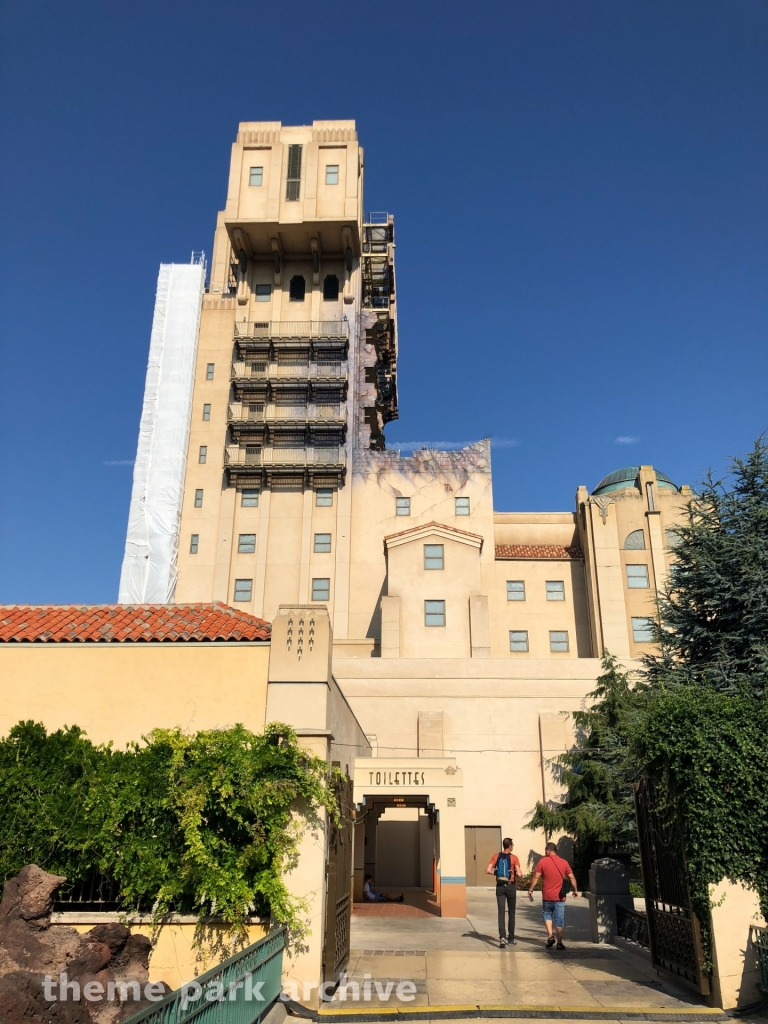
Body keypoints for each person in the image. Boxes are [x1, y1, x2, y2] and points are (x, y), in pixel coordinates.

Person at [527, 842, 579, 950]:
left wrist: (530, 889)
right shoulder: (564, 862)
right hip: (560, 897)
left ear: (548, 850)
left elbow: (536, 877)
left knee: (547, 915)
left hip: (547, 896)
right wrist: (575, 890)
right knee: (559, 919)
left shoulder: (542, 862)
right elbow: (572, 877)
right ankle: (559, 943)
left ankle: (550, 936)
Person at [486, 837, 522, 947]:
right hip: (511, 886)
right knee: (511, 912)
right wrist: (516, 873)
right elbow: (519, 874)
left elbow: (487, 870)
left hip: (500, 887)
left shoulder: (496, 856)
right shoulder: (514, 858)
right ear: (510, 846)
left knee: (501, 912)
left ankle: (502, 938)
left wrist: (497, 874)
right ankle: (511, 938)